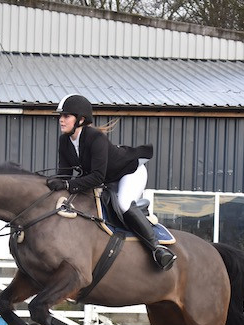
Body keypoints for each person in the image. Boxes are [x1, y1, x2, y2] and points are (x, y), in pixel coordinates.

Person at [47, 94, 176, 271]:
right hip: (107, 180)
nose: (61, 120)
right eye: (60, 116)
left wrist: (68, 185)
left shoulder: (95, 138)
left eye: (66, 116)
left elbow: (97, 177)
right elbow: (65, 175)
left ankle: (158, 249)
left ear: (81, 119)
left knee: (123, 204)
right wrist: (54, 184)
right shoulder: (64, 141)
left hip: (130, 172)